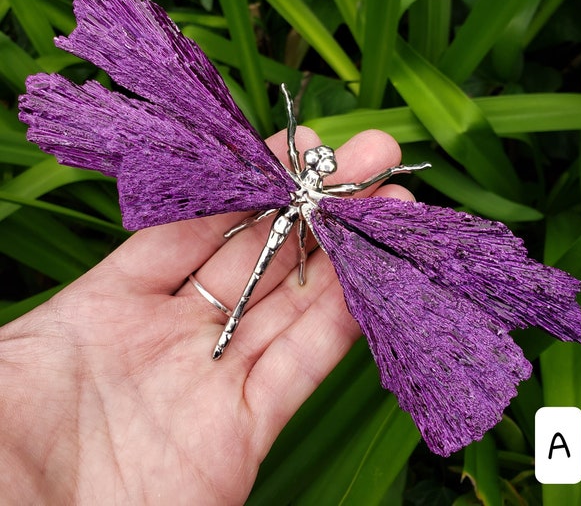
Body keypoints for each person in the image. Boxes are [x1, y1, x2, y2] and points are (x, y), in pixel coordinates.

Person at [0, 128, 414, 504]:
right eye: (317, 161)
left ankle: (234, 321)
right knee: (263, 266)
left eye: (322, 164)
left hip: (284, 221)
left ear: (318, 170)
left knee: (263, 264)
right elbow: (314, 158)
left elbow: (350, 181)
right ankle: (236, 318)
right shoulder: (311, 184)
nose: (318, 163)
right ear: (311, 166)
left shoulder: (318, 189)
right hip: (285, 222)